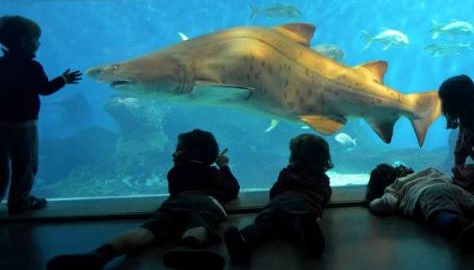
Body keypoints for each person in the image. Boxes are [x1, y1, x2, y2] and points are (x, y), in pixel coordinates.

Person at [47, 129, 239, 270]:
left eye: (179, 149)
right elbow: (232, 190)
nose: (173, 153)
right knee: (200, 224)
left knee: (145, 230)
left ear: (194, 153)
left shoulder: (175, 172)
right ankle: (187, 248)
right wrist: (223, 166)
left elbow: (175, 190)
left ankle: (101, 254)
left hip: (173, 204)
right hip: (205, 202)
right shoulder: (213, 173)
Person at [0, 15, 82, 214]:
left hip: (0, 125)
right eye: (36, 39)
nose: (39, 43)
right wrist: (63, 79)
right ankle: (20, 201)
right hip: (24, 127)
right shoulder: (32, 66)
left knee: (0, 169)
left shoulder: (1, 64)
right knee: (26, 165)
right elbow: (44, 89)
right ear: (24, 41)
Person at [224, 134, 332, 265]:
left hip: (278, 204)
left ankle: (242, 238)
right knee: (298, 227)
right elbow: (325, 196)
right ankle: (311, 239)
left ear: (294, 156)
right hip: (304, 206)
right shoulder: (322, 179)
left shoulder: (287, 172)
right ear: (324, 158)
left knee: (262, 226)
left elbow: (274, 192)